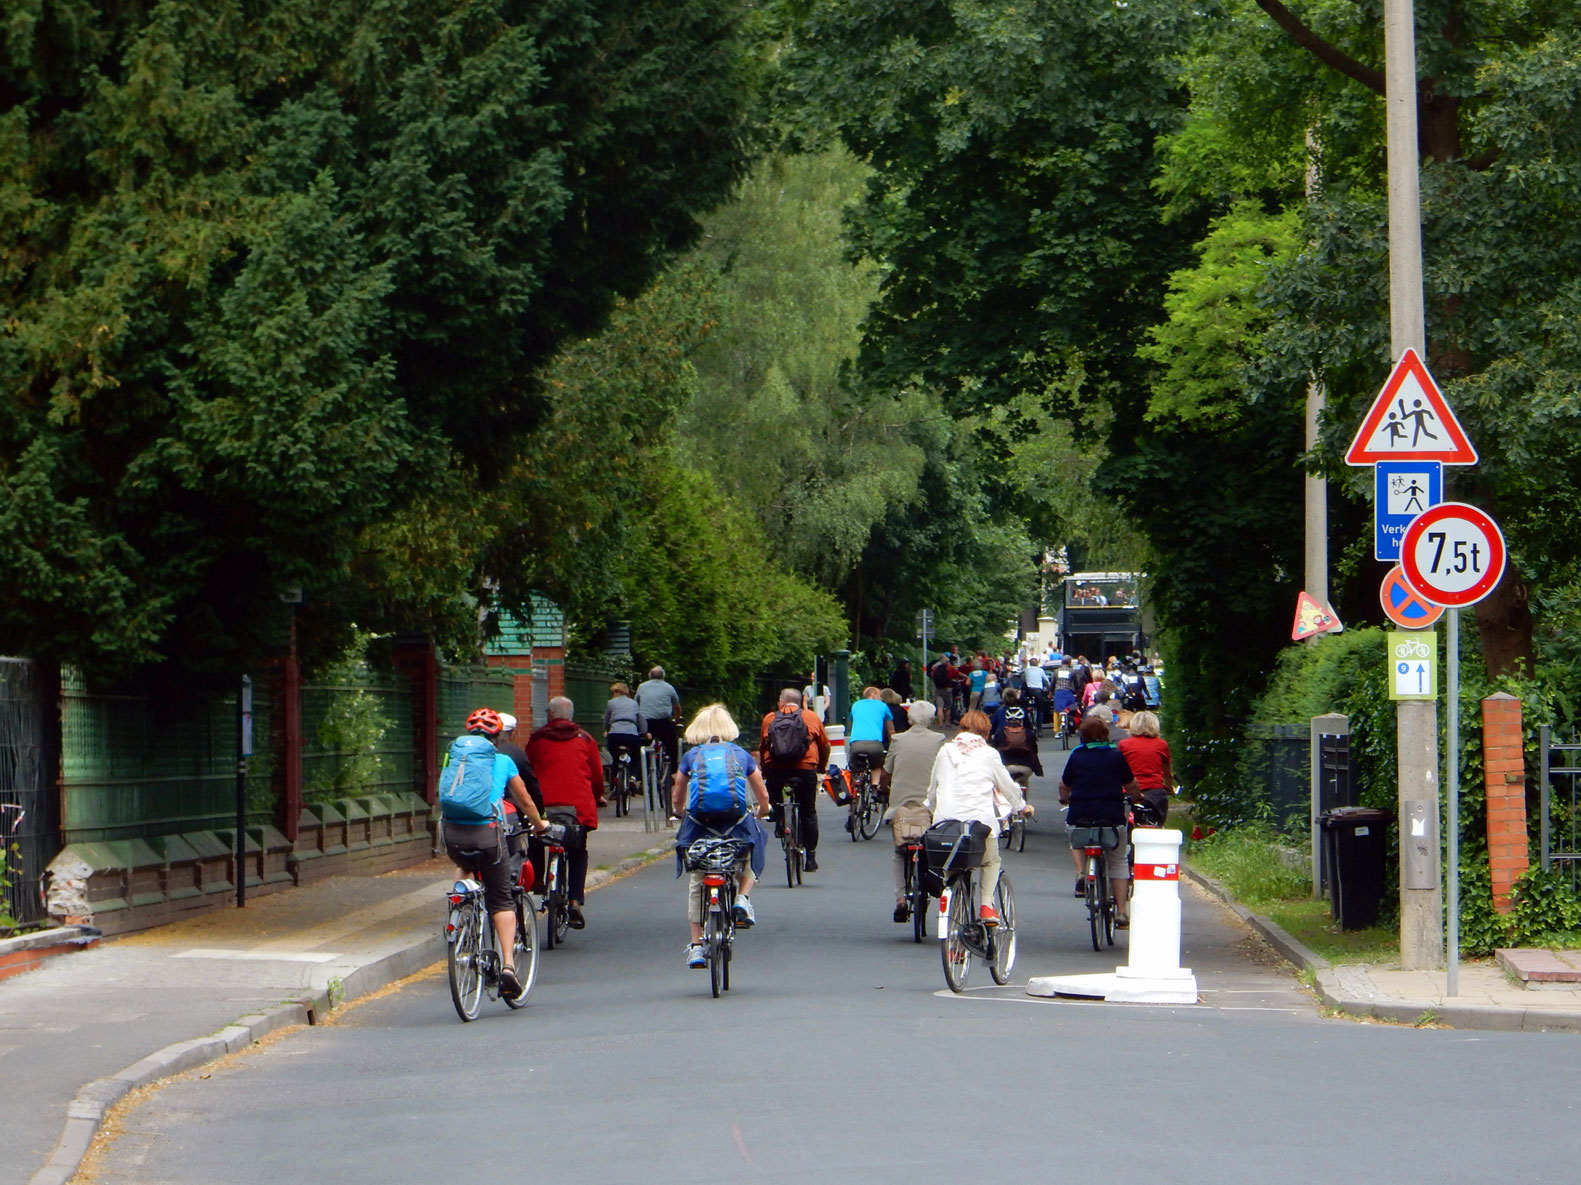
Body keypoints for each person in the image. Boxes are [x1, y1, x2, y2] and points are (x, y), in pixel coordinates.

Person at [439, 708, 549, 1001]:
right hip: (487, 833)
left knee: (464, 864)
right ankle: (509, 970)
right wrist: (540, 825)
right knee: (501, 899)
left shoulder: (453, 757)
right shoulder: (502, 760)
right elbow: (524, 801)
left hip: (451, 833)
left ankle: (459, 909)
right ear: (497, 738)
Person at [672, 704, 772, 968]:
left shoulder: (692, 756)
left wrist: (680, 811)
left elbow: (678, 793)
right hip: (735, 823)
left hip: (700, 825)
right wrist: (763, 811)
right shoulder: (740, 754)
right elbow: (761, 794)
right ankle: (742, 898)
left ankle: (695, 946)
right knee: (755, 844)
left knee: (697, 876)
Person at [925, 710, 1028, 926]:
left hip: (947, 825)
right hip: (979, 826)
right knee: (991, 861)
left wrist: (933, 809)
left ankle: (954, 918)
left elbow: (933, 790)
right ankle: (986, 905)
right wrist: (1022, 806)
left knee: (953, 865)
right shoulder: (988, 754)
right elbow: (1007, 788)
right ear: (986, 732)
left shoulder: (945, 751)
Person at [525, 697, 606, 930]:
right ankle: (574, 901)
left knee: (537, 838)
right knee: (578, 850)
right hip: (577, 809)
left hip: (544, 806)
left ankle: (539, 879)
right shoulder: (585, 739)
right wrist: (597, 795)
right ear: (571, 716)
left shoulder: (537, 739)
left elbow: (527, 770)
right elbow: (597, 776)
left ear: (550, 715)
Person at [1059, 715, 1142, 928]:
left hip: (1081, 814)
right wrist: (1135, 798)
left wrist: (1065, 798)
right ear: (1105, 735)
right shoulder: (1116, 756)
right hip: (1111, 815)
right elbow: (1131, 784)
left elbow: (1064, 785)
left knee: (1074, 836)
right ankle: (1122, 912)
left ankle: (1080, 872)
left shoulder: (1076, 756)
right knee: (1118, 860)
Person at [882, 701, 944, 921]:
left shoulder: (898, 740)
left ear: (909, 719)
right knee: (931, 847)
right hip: (929, 809)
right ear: (931, 719)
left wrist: (884, 789)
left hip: (901, 808)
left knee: (900, 852)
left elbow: (886, 772)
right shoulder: (939, 740)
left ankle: (900, 898)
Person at [759, 688, 831, 871]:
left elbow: (763, 747)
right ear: (799, 702)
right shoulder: (812, 717)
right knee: (808, 811)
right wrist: (820, 768)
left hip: (776, 768)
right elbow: (824, 745)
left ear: (781, 702)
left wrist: (766, 772)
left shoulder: (769, 718)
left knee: (774, 792)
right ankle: (811, 857)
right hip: (805, 769)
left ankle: (780, 820)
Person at [1117, 710, 1173, 826]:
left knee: (1127, 824)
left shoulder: (1124, 744)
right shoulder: (1161, 744)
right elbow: (1167, 773)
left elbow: (1118, 771)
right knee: (1156, 823)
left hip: (1130, 793)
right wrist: (1169, 788)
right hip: (1155, 792)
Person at [990, 690, 1044, 803]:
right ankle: (1024, 805)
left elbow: (991, 731)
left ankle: (1006, 804)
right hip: (1025, 767)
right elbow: (1034, 748)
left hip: (1006, 766)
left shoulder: (999, 716)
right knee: (1024, 781)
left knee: (1002, 782)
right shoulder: (1026, 729)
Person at [635, 666, 683, 775]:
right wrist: (676, 719)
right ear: (663, 676)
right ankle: (674, 772)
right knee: (672, 746)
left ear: (649, 676)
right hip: (663, 723)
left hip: (646, 723)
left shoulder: (642, 687)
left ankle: (637, 774)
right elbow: (677, 708)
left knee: (640, 746)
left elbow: (635, 704)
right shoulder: (669, 688)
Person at [494, 713, 544, 812]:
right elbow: (532, 786)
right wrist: (540, 812)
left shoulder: (481, 751)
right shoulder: (517, 753)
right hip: (508, 810)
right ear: (512, 734)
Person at [602, 681, 648, 787]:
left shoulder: (611, 703)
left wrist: (606, 730)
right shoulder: (633, 703)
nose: (613, 695)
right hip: (631, 735)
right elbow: (641, 720)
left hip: (615, 734)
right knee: (636, 756)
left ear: (618, 692)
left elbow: (606, 719)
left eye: (614, 692)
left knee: (615, 758)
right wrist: (645, 732)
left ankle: (614, 785)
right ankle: (633, 777)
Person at [1022, 656, 1048, 728]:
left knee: (1024, 706)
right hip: (1038, 691)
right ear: (1037, 664)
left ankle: (1026, 722)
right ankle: (1039, 729)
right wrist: (1048, 688)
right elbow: (1046, 681)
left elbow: (1023, 680)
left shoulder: (1026, 670)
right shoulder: (1040, 670)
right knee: (1040, 710)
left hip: (1028, 690)